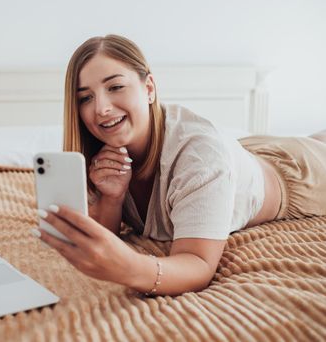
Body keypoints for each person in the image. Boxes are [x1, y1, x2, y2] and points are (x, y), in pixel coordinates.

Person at [31, 34, 326, 296]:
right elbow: (106, 236)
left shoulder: (200, 158)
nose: (101, 108)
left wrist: (132, 267)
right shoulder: (101, 155)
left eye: (116, 87)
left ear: (149, 88)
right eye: (86, 97)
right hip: (247, 152)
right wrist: (113, 198)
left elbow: (197, 265)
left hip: (298, 177)